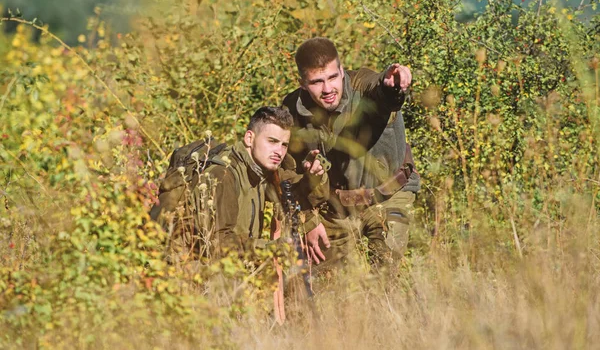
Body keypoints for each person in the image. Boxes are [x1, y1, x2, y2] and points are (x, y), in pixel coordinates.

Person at [282, 37, 420, 268]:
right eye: (317, 82)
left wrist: (392, 86)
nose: (328, 89)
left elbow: (378, 89)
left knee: (385, 275)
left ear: (342, 70)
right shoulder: (292, 109)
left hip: (388, 197)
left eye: (333, 77)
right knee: (324, 288)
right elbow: (286, 172)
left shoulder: (363, 86)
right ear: (302, 83)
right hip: (334, 208)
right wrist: (308, 220)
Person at [150, 106, 330, 261]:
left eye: (284, 145)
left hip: (231, 270)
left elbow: (296, 193)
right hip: (193, 275)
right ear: (249, 139)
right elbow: (216, 243)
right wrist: (268, 249)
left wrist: (313, 175)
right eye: (272, 141)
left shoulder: (260, 169)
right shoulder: (223, 175)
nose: (279, 151)